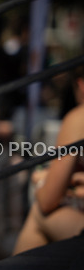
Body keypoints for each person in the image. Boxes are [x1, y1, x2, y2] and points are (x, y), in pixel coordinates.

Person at [13, 64, 84, 254]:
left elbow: (47, 201)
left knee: (38, 213)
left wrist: (42, 181)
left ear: (81, 85)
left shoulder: (79, 118)